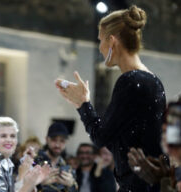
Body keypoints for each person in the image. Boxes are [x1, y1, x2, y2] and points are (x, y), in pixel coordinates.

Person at [55, 5, 166, 192]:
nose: (99, 47)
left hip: (137, 186)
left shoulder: (130, 81)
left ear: (112, 41)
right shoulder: (153, 81)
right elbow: (120, 139)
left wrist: (83, 104)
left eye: (100, 40)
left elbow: (101, 137)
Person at [0, 117, 50, 192]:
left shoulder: (6, 163)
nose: (9, 140)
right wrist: (28, 183)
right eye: (3, 136)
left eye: (12, 136)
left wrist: (32, 180)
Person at [35, 122, 78, 192]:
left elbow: (75, 189)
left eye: (62, 141)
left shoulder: (68, 167)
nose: (57, 145)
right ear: (46, 139)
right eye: (54, 140)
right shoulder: (34, 161)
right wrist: (39, 184)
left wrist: (71, 185)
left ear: (66, 142)